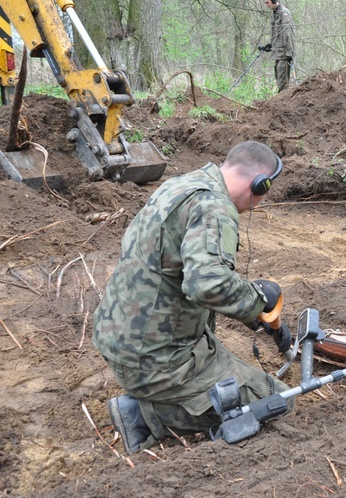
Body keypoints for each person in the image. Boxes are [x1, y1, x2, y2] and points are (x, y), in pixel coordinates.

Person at [93, 141, 294, 455]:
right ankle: (144, 417)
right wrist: (257, 301)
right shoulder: (215, 208)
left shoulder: (181, 185)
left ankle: (163, 396)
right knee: (278, 400)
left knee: (235, 373)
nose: (261, 201)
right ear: (258, 185)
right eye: (264, 192)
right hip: (156, 359)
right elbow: (207, 285)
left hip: (118, 336)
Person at [258, 0, 295, 92]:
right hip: (278, 53)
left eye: (267, 2)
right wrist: (269, 45)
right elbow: (276, 33)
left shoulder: (284, 13)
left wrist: (289, 53)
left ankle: (283, 103)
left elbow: (288, 34)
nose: (266, 5)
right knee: (279, 80)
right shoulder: (275, 13)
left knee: (283, 84)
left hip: (284, 54)